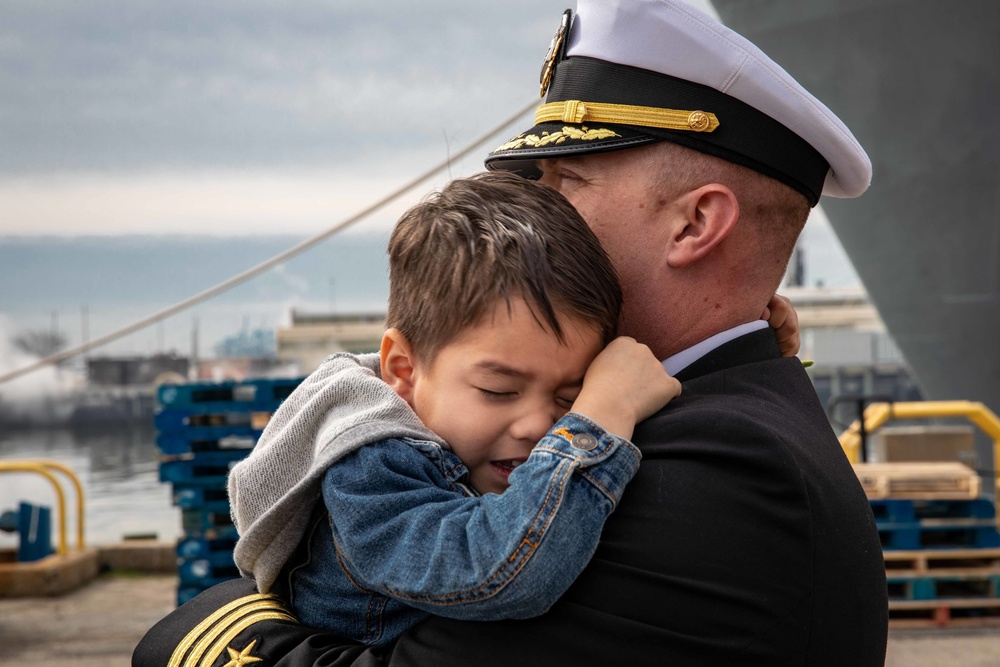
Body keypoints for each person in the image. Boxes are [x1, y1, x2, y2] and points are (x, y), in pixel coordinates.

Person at [134, 1, 888, 665]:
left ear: (694, 223)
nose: (541, 211)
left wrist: (196, 628)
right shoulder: (723, 405)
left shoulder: (716, 471)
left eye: (570, 182)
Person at [227, 171, 682, 646]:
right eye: (499, 390)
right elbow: (497, 574)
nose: (540, 426)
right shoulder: (370, 468)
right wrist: (597, 418)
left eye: (571, 395)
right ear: (402, 370)